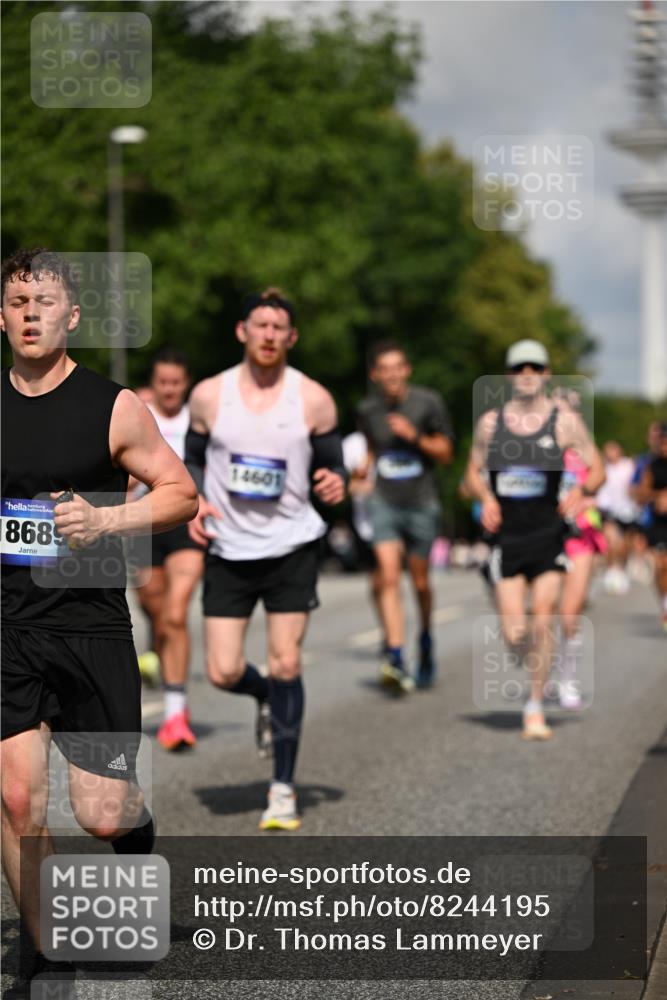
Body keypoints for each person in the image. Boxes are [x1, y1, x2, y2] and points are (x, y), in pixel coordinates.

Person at [0, 248, 198, 985]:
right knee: (17, 798)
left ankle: (137, 829)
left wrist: (105, 523)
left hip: (88, 626)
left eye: (43, 301)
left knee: (104, 813)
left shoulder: (111, 405)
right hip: (8, 626)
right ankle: (47, 950)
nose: (29, 313)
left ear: (71, 316)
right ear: (0, 316)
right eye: (17, 300)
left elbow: (180, 494)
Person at [186, 287, 346, 831]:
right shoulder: (210, 395)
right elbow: (191, 456)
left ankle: (282, 787)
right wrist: (195, 496)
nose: (269, 335)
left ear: (291, 337)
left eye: (279, 328)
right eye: (261, 325)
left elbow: (334, 468)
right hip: (228, 547)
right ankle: (262, 698)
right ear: (243, 331)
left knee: (286, 662)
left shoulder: (314, 399)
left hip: (292, 546)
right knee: (223, 670)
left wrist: (335, 482)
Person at [465, 339, 604, 740]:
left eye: (535, 368)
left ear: (546, 374)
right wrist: (486, 496)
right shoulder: (491, 423)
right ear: (510, 376)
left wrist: (581, 491)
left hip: (549, 535)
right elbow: (472, 472)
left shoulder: (564, 422)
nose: (527, 375)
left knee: (544, 618)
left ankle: (535, 706)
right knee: (515, 633)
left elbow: (595, 469)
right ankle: (537, 671)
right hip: (507, 539)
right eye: (519, 368)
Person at [356, 342, 454, 691]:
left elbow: (446, 453)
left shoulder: (427, 403)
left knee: (420, 582)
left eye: (399, 367)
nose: (393, 374)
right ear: (376, 375)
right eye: (386, 368)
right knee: (388, 576)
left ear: (407, 369)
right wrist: (361, 470)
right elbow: (370, 449)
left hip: (421, 503)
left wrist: (414, 437)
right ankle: (396, 654)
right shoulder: (368, 410)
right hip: (384, 500)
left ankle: (425, 638)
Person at [128, 348, 205, 750]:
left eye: (176, 382)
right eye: (163, 382)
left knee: (176, 612)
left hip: (188, 520)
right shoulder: (138, 413)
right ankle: (159, 646)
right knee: (154, 605)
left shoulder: (199, 417)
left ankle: (176, 712)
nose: (170, 389)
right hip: (143, 521)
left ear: (185, 383)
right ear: (154, 383)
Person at [555, 446, 607, 709]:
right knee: (544, 609)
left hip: (579, 536)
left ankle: (567, 678)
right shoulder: (534, 447)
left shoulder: (586, 451)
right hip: (546, 537)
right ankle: (550, 664)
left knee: (569, 613)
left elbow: (602, 485)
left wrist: (587, 499)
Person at [342, 430, 383, 637]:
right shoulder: (352, 444)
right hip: (365, 525)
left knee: (390, 578)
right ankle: (387, 626)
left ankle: (395, 641)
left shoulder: (396, 436)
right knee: (377, 582)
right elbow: (343, 484)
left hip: (394, 520)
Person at [596, 441, 639, 595]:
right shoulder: (603, 468)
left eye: (613, 450)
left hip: (628, 511)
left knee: (625, 546)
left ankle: (622, 569)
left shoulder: (628, 466)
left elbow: (637, 483)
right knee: (613, 542)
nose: (610, 453)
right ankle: (611, 570)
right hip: (609, 511)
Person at [636, 422, 667, 632]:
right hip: (658, 523)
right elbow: (641, 493)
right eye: (662, 443)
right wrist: (658, 496)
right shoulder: (652, 464)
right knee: (660, 566)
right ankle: (665, 604)